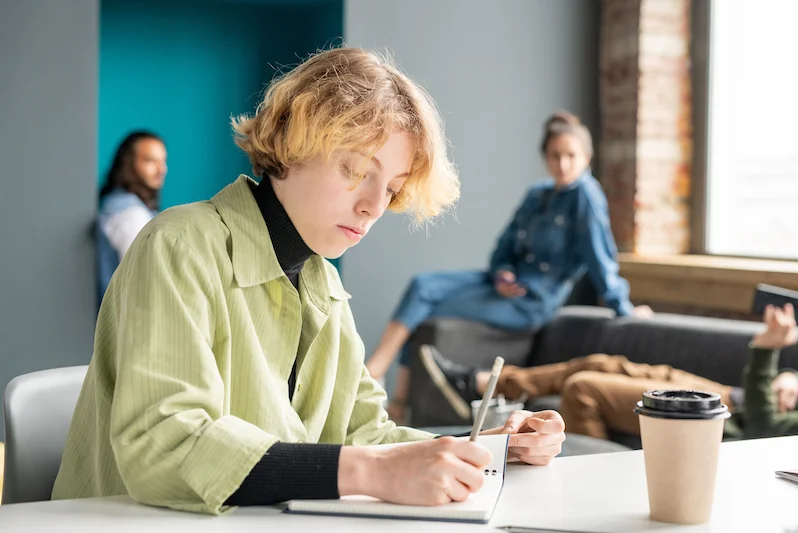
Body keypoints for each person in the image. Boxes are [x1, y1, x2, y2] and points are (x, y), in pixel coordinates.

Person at [52, 48, 566, 515]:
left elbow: (364, 432)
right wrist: (371, 471)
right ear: (295, 141)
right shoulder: (179, 246)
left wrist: (485, 448)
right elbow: (166, 442)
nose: (372, 206)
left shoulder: (323, 282)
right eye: (356, 169)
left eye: (391, 189)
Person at [365, 111, 652, 422]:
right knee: (423, 285)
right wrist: (503, 273)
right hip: (501, 284)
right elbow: (504, 247)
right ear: (545, 157)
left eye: (571, 155)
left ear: (586, 157)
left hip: (531, 301)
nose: (563, 164)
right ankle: (376, 377)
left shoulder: (586, 196)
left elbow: (601, 259)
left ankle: (388, 398)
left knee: (426, 311)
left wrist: (623, 308)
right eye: (555, 155)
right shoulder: (536, 195)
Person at [420, 303, 798, 440]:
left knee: (584, 387)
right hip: (730, 392)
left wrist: (767, 351)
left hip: (725, 419)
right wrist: (791, 379)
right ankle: (485, 384)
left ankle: (588, 477)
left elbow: (769, 429)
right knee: (600, 363)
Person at [96, 131, 167, 303]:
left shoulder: (118, 204)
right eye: (150, 161)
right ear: (128, 164)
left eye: (163, 161)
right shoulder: (130, 215)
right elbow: (144, 282)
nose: (161, 169)